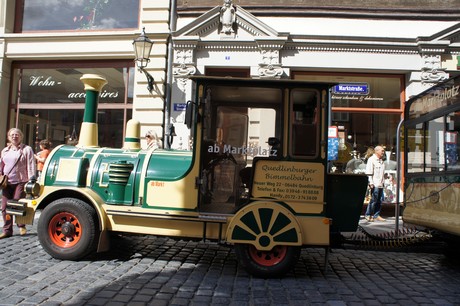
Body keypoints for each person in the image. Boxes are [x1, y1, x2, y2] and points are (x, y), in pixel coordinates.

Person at [0, 128, 36, 239]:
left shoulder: (27, 149)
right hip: (7, 182)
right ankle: (7, 230)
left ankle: (21, 225)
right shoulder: (5, 150)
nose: (15, 136)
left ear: (21, 136)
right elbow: (1, 165)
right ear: (9, 137)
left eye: (17, 135)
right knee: (5, 207)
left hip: (21, 181)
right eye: (12, 135)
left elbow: (31, 163)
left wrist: (32, 178)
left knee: (16, 203)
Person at [364, 145, 386, 222]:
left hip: (381, 184)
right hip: (375, 184)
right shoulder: (372, 160)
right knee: (373, 200)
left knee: (379, 200)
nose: (383, 152)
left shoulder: (381, 161)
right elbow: (369, 172)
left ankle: (376, 215)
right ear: (377, 151)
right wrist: (371, 182)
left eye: (383, 151)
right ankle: (368, 214)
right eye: (382, 151)